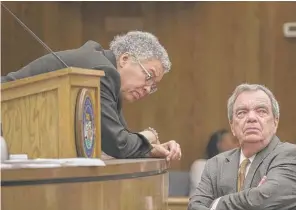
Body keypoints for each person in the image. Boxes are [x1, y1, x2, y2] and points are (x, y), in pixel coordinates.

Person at [1, 31, 181, 161]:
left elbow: (117, 136)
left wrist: (153, 148)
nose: (148, 89)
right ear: (125, 59)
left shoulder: (106, 73)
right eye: (148, 76)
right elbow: (118, 144)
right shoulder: (102, 72)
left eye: (154, 85)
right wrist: (149, 138)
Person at [189, 129, 238, 195]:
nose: (239, 144)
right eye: (234, 141)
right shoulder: (200, 165)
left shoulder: (237, 168)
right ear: (219, 145)